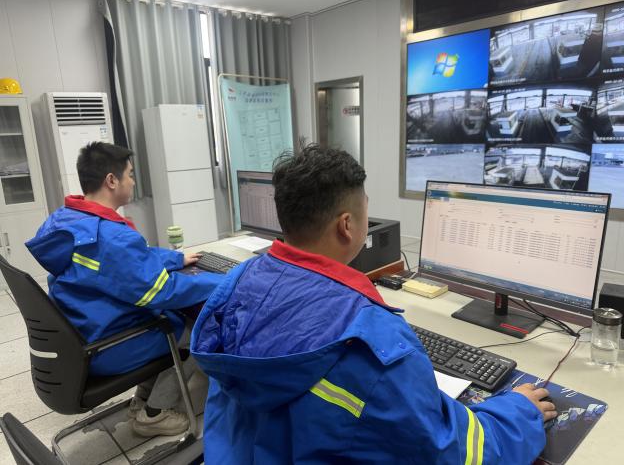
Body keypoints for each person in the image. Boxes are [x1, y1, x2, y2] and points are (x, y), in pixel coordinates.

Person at [190, 145, 556, 463]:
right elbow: (451, 452)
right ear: (347, 225)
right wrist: (518, 413)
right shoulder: (373, 345)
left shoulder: (239, 282)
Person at [26, 142, 224, 437]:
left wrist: (175, 258)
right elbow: (161, 292)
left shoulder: (68, 221)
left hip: (85, 329)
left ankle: (142, 400)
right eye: (130, 174)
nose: (132, 181)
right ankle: (154, 415)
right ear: (111, 180)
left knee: (167, 319)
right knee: (197, 329)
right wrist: (224, 280)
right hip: (108, 343)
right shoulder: (112, 237)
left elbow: (120, 264)